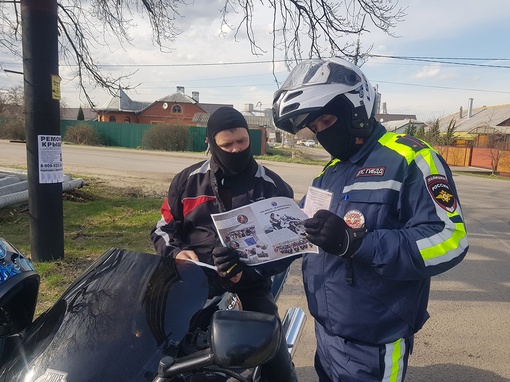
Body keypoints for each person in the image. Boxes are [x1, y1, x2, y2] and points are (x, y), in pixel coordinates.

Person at [272, 57, 469, 382]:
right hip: (326, 331)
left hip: (375, 339)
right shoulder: (329, 172)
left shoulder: (410, 157)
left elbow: (450, 238)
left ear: (356, 110)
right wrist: (248, 253)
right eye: (315, 127)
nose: (322, 133)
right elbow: (299, 231)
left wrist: (356, 242)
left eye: (327, 120)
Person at [150, 106, 298, 382]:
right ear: (210, 143)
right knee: (150, 346)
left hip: (250, 287)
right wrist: (177, 252)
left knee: (276, 363)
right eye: (226, 144)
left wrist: (249, 272)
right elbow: (162, 228)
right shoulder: (187, 181)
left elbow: (289, 244)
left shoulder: (272, 187)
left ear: (250, 138)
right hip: (191, 283)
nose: (235, 150)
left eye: (241, 142)